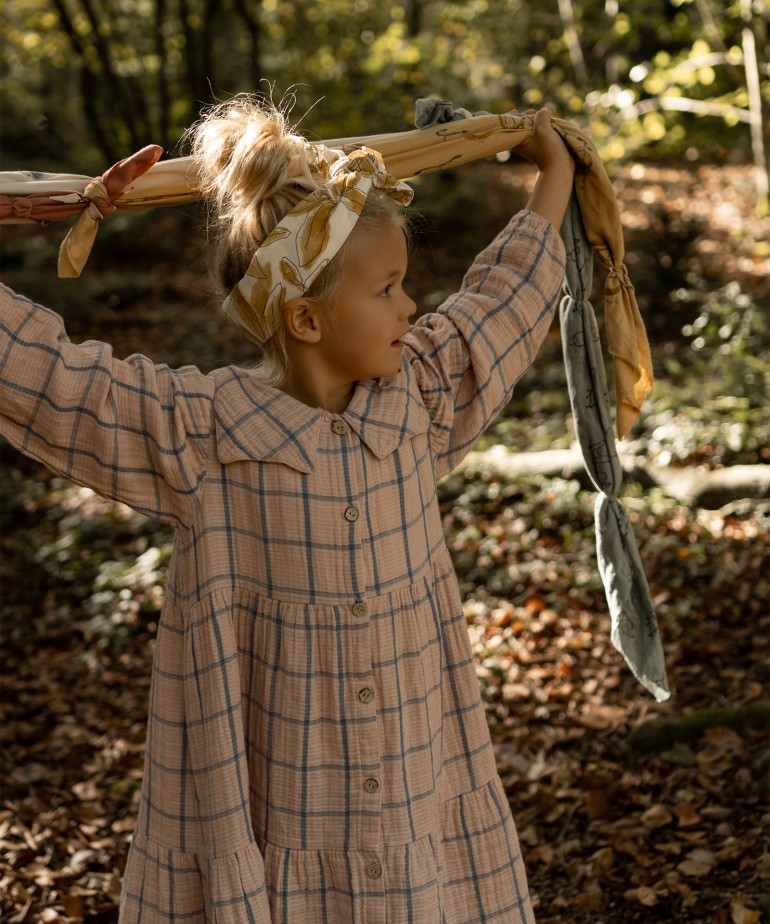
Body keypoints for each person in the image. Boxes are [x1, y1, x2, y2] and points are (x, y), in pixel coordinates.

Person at [0, 95, 575, 923]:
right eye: (387, 289)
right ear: (304, 317)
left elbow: (505, 301)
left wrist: (553, 176)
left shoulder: (420, 396)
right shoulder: (202, 440)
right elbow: (52, 380)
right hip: (275, 823)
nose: (411, 307)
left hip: (418, 805)